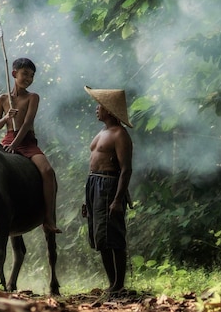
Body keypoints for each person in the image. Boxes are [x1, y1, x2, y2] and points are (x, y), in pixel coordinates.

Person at [0, 58, 61, 234]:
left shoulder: (32, 97)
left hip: (26, 142)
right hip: (8, 140)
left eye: (31, 76)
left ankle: (49, 219)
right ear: (14, 74)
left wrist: (15, 145)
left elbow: (27, 122)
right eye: (25, 74)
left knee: (47, 171)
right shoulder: (2, 99)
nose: (28, 78)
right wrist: (6, 118)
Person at [83, 86, 133, 294]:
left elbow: (126, 169)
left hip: (110, 186)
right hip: (95, 186)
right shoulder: (102, 132)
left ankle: (119, 285)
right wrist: (87, 199)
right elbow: (93, 165)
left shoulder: (120, 134)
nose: (96, 109)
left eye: (100, 106)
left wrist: (118, 200)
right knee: (100, 238)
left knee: (114, 236)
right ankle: (112, 284)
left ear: (110, 111)